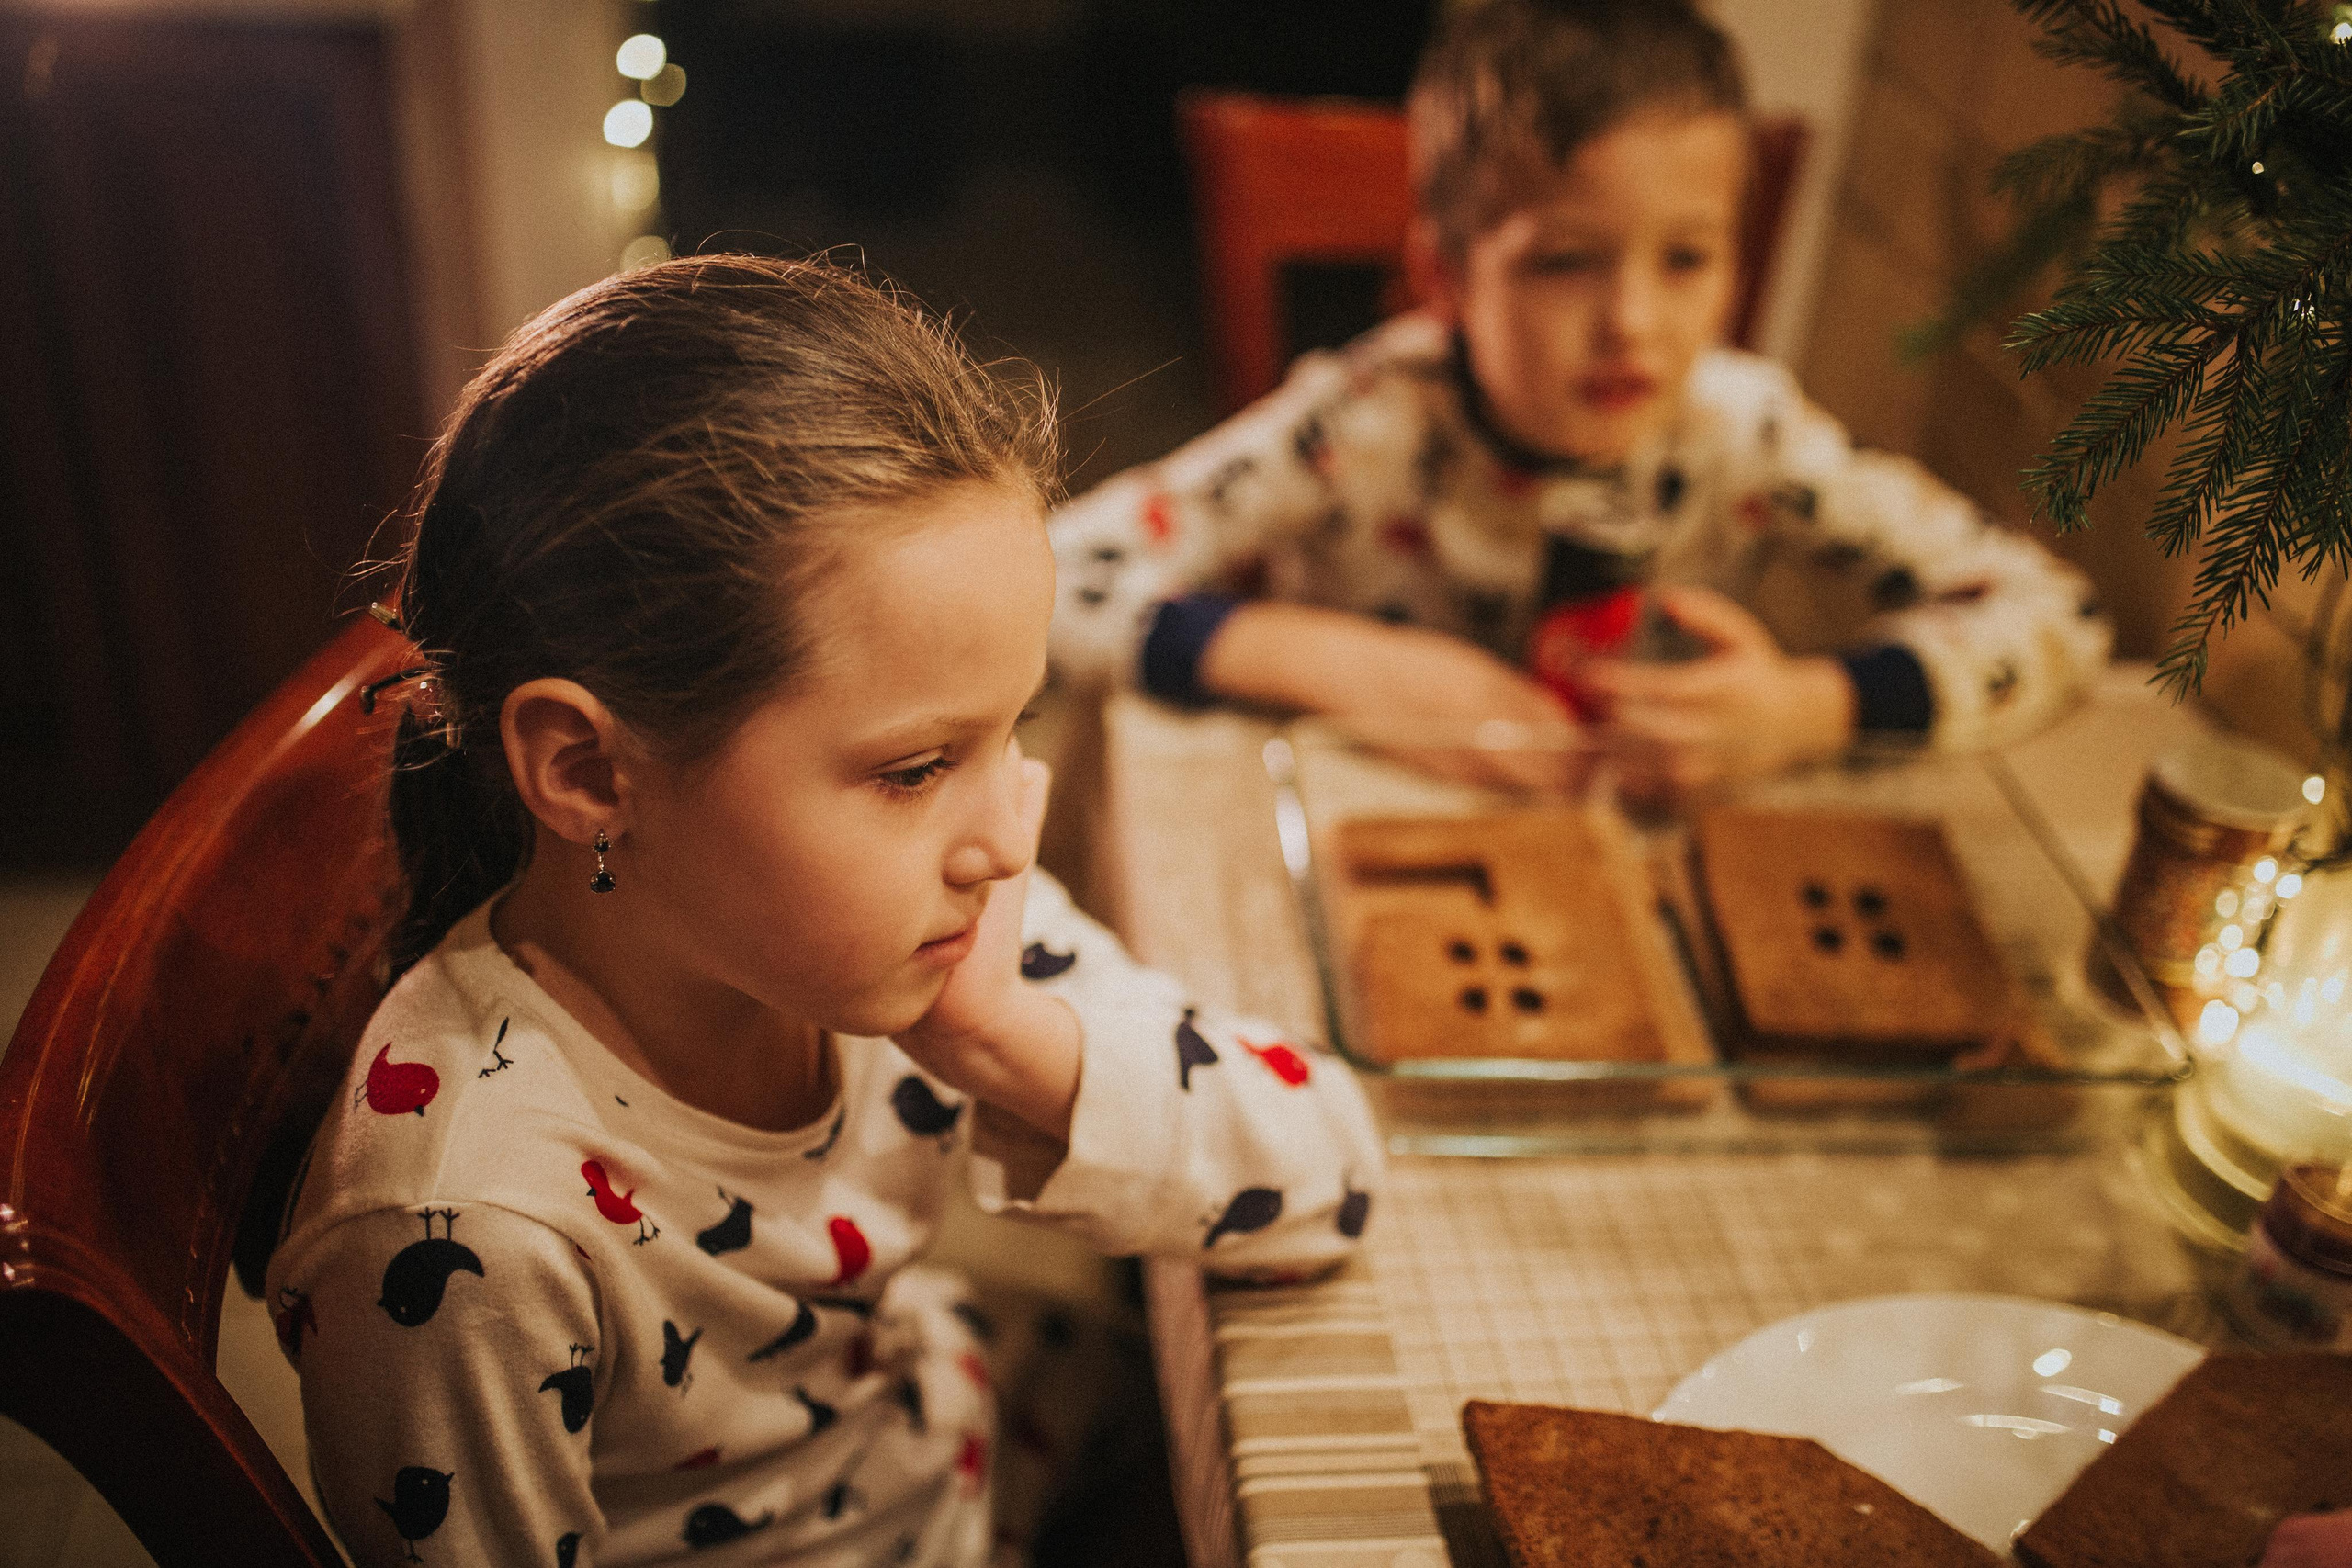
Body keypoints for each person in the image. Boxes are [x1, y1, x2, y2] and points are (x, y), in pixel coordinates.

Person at [265, 255, 1381, 1568]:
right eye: (914, 769)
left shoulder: (908, 931)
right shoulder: (466, 1235)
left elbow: (1329, 1169)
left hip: (956, 1433)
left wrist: (1016, 1043)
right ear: (588, 773)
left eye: (1012, 729)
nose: (1004, 835)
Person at [1049, 0, 2111, 803]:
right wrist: (1339, 665)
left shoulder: (1746, 430)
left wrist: (1809, 709)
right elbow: (1053, 576)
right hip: (1361, 820)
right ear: (1444, 277)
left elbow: (2056, 614)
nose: (1632, 325)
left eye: (1686, 258)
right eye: (1564, 262)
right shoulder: (1358, 424)